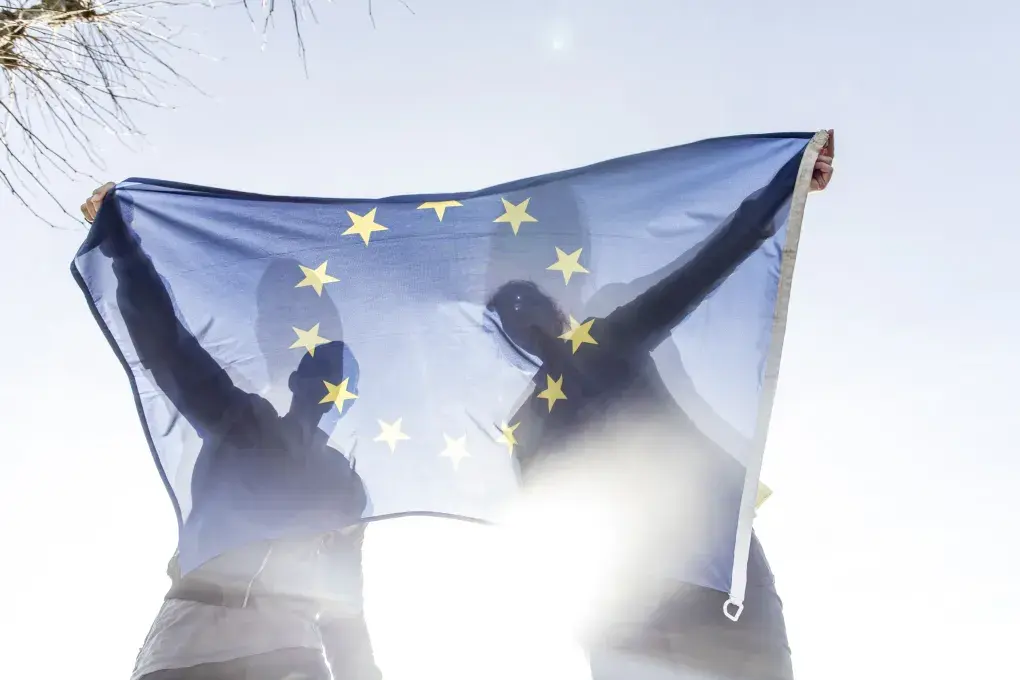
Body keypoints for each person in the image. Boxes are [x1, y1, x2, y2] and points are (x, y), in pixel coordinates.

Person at [486, 136, 834, 679]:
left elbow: (700, 271)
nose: (523, 312)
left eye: (524, 298)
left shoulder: (582, 362)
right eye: (511, 308)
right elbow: (543, 528)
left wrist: (785, 188)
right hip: (655, 596)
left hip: (681, 582)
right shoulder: (551, 395)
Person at [82, 185, 382, 680]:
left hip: (283, 654)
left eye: (336, 380)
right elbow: (169, 348)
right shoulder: (245, 424)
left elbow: (345, 608)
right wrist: (124, 250)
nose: (326, 389)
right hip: (192, 647)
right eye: (321, 371)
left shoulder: (343, 484)